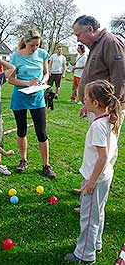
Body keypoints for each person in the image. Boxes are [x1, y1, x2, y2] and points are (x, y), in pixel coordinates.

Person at [65, 80, 121, 263]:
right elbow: (113, 153)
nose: (83, 99)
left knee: (88, 217)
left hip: (96, 178)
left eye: (86, 97)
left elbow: (103, 157)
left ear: (96, 103)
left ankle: (85, 254)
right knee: (98, 212)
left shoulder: (98, 126)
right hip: (105, 175)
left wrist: (90, 183)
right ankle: (95, 243)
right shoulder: (109, 119)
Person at [72, 15, 125, 202]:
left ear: (90, 30)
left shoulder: (110, 42)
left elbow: (120, 77)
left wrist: (110, 109)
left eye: (78, 34)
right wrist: (89, 106)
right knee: (94, 149)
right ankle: (88, 184)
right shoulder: (96, 44)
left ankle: (94, 191)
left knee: (104, 152)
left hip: (107, 111)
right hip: (97, 108)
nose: (77, 39)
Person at [8, 29, 56, 179]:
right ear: (26, 42)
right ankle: (23, 161)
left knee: (41, 133)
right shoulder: (15, 56)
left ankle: (46, 165)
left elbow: (47, 73)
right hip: (20, 97)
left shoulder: (42, 54)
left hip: (37, 98)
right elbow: (11, 79)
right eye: (33, 45)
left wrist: (43, 80)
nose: (35, 48)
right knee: (21, 131)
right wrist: (27, 83)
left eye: (37, 45)